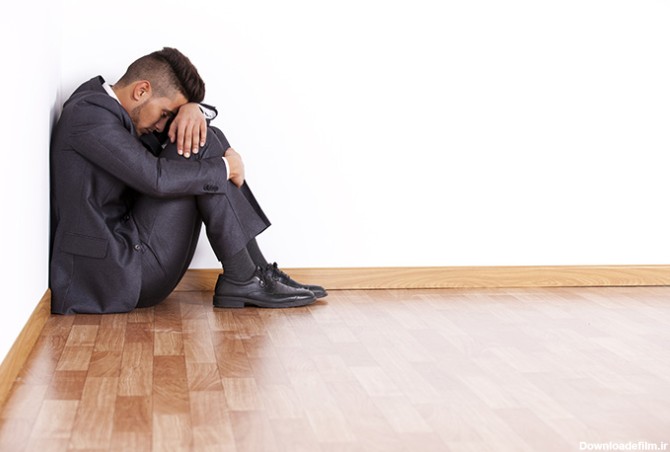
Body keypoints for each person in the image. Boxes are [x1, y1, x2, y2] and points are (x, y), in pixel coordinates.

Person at [49, 47, 326, 315]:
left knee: (204, 136)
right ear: (141, 90)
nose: (162, 126)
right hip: (114, 273)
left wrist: (193, 110)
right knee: (200, 145)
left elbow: (185, 139)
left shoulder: (106, 108)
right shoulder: (89, 116)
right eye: (165, 114)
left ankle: (255, 272)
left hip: (129, 257)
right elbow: (155, 178)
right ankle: (246, 276)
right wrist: (225, 167)